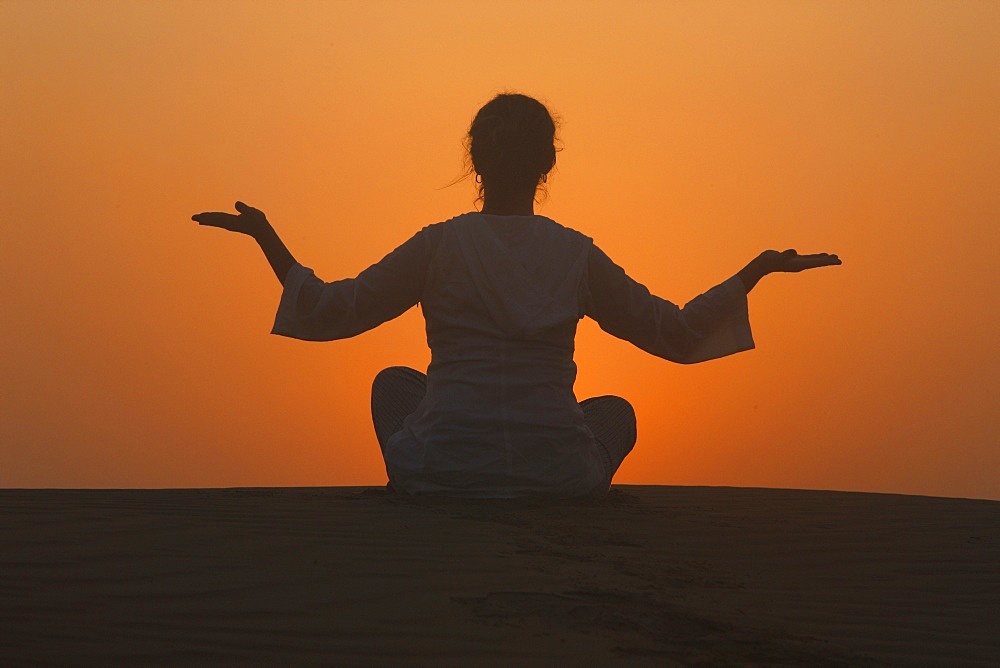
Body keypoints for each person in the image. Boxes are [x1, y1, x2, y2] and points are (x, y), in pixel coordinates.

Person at [194, 93, 840, 498]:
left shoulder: (439, 245)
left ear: (475, 162)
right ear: (548, 164)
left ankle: (420, 483)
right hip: (556, 475)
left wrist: (267, 239)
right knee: (614, 411)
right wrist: (751, 273)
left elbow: (334, 311)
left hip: (441, 469)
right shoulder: (575, 253)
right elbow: (671, 333)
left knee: (393, 384)